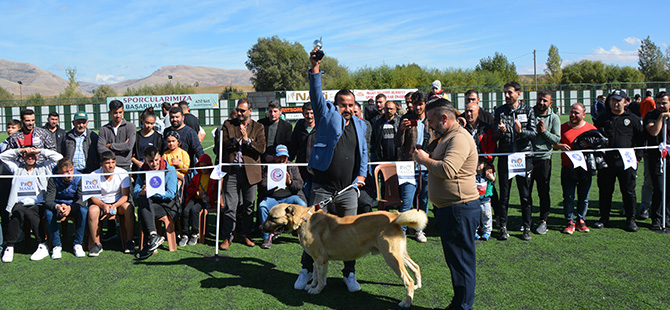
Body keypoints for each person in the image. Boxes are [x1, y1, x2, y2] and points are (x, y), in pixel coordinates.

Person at [294, 47, 368, 293]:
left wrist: (361, 175)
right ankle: (306, 271)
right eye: (343, 104)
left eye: (351, 104)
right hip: (323, 187)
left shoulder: (360, 124)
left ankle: (349, 273)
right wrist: (315, 67)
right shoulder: (326, 115)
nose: (347, 108)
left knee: (350, 233)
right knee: (311, 231)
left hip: (348, 189)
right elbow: (316, 93)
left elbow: (363, 152)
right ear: (335, 104)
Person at [412, 98, 479, 310]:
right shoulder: (448, 137)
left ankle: (463, 306)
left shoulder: (459, 138)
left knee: (462, 263)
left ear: (444, 118)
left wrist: (425, 160)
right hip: (451, 209)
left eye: (431, 120)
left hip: (459, 209)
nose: (429, 125)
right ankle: (459, 303)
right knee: (457, 262)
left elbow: (448, 170)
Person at [214, 98, 265, 250]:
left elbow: (261, 148)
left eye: (243, 110)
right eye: (238, 110)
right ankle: (228, 235)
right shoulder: (228, 125)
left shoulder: (258, 127)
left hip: (251, 172)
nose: (239, 113)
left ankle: (245, 234)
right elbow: (220, 145)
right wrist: (237, 140)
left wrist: (248, 141)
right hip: (232, 172)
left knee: (248, 206)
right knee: (231, 205)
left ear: (250, 111)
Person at [1, 146, 62, 263]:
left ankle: (42, 245)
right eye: (27, 155)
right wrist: (19, 151)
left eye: (32, 155)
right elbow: (2, 157)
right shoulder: (17, 168)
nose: (30, 157)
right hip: (20, 201)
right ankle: (10, 246)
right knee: (17, 212)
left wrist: (39, 151)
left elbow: (59, 158)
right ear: (23, 157)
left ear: (36, 156)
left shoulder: (44, 167)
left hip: (38, 202)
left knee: (31, 213)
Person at [593, 90, 644, 232]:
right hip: (606, 161)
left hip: (626, 162)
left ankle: (630, 220)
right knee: (605, 190)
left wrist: (638, 157)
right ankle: (604, 218)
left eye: (618, 100)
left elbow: (640, 139)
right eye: (613, 100)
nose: (615, 103)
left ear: (625, 102)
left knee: (628, 191)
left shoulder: (632, 118)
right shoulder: (602, 117)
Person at [493, 81, 536, 241]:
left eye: (510, 92)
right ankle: (503, 227)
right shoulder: (500, 111)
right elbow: (494, 135)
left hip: (524, 157)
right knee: (504, 195)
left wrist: (521, 131)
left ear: (519, 93)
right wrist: (501, 131)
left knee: (525, 195)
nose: (507, 95)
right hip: (506, 157)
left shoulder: (528, 110)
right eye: (505, 92)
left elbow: (533, 134)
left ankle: (527, 227)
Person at [555, 103, 598, 234]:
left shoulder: (591, 128)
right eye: (571, 112)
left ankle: (581, 220)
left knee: (584, 197)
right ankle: (570, 221)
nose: (573, 115)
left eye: (576, 113)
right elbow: (552, 144)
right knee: (568, 197)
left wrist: (590, 145)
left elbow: (599, 146)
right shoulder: (562, 128)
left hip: (585, 169)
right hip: (568, 168)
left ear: (584, 115)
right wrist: (560, 145)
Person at [394, 90, 430, 242]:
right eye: (415, 104)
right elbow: (397, 143)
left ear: (425, 104)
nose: (417, 108)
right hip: (408, 166)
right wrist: (401, 130)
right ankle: (400, 232)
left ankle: (419, 230)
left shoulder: (431, 120)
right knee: (407, 201)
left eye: (420, 104)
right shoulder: (405, 118)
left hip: (427, 166)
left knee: (424, 201)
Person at [133, 146, 179, 259]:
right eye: (151, 161)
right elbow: (135, 192)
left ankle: (149, 244)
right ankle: (153, 236)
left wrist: (153, 192)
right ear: (145, 160)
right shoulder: (142, 170)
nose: (154, 164)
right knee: (144, 201)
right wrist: (142, 191)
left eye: (156, 160)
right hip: (149, 204)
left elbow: (171, 194)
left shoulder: (170, 170)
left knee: (143, 208)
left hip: (167, 206)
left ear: (160, 158)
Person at [86, 151, 135, 256]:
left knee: (129, 208)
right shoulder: (93, 175)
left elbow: (125, 196)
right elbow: (92, 197)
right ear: (101, 164)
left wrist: (114, 205)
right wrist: (104, 206)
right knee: (92, 210)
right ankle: (96, 244)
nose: (111, 165)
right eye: (108, 163)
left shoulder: (123, 173)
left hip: (118, 203)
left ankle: (129, 241)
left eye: (113, 162)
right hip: (100, 203)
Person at [257, 145, 306, 249]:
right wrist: (275, 182)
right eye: (279, 157)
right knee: (262, 206)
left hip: (290, 198)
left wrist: (289, 182)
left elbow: (299, 185)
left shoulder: (292, 166)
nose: (282, 159)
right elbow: (262, 186)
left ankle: (301, 234)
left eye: (285, 157)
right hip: (273, 198)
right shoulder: (267, 166)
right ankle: (266, 238)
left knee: (302, 205)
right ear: (274, 156)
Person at [529, 91, 560, 235]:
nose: (541, 103)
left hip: (544, 159)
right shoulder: (529, 113)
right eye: (540, 100)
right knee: (525, 192)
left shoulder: (554, 118)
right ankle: (526, 220)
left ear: (550, 103)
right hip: (528, 158)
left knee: (543, 191)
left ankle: (543, 221)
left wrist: (544, 132)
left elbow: (556, 140)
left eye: (545, 101)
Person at [44, 158, 87, 258]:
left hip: (73, 205)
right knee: (48, 213)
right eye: (66, 172)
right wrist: (57, 206)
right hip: (59, 205)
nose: (69, 174)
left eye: (71, 170)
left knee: (84, 211)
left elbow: (82, 199)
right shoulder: (53, 179)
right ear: (59, 172)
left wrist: (70, 208)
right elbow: (49, 200)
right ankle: (56, 246)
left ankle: (78, 243)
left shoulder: (79, 177)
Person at [643, 91, 670, 230]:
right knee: (659, 188)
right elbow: (654, 132)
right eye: (658, 103)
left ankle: (668, 218)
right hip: (656, 158)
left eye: (664, 103)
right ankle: (657, 218)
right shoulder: (651, 115)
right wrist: (661, 117)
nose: (661, 105)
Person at [181, 154, 218, 246]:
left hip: (204, 201)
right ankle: (185, 233)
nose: (204, 168)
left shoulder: (214, 179)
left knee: (195, 210)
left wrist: (209, 198)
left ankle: (195, 233)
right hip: (194, 198)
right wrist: (196, 192)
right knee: (185, 210)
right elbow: (189, 188)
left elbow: (216, 192)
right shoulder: (196, 177)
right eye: (202, 166)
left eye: (206, 165)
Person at [97, 100, 136, 172]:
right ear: (110, 113)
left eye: (120, 112)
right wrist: (121, 148)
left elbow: (129, 146)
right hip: (109, 166)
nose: (118, 115)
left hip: (125, 165)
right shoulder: (103, 129)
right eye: (115, 113)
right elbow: (100, 148)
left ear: (123, 111)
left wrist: (110, 146)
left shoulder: (131, 127)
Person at [289, 102, 316, 201]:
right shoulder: (299, 126)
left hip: (317, 170)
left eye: (312, 113)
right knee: (304, 196)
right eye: (307, 113)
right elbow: (293, 146)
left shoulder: (321, 127)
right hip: (302, 169)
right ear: (303, 114)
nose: (309, 116)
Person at [475, 158, 495, 241]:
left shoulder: (488, 174)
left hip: (485, 199)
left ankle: (487, 231)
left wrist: (492, 178)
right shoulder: (471, 174)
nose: (478, 165)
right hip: (474, 199)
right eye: (477, 162)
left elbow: (493, 181)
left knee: (486, 215)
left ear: (485, 165)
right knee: (474, 216)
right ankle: (474, 231)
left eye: (480, 163)